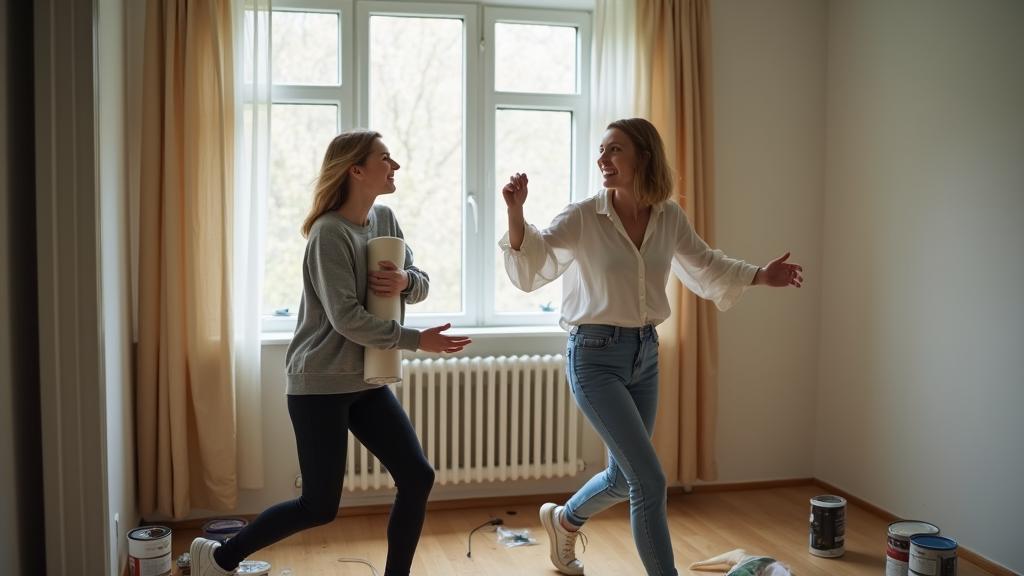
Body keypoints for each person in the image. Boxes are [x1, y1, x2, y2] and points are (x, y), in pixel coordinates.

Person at [499, 118, 802, 576]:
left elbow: (705, 264)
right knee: (650, 480)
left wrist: (761, 275)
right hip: (593, 357)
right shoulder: (584, 215)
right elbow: (536, 260)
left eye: (614, 150)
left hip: (645, 355)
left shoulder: (668, 217)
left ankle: (564, 521)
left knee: (625, 477)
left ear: (643, 156)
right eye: (602, 150)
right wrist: (516, 214)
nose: (603, 159)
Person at [190, 130, 471, 576]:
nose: (395, 165)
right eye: (385, 158)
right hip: (320, 383)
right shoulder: (328, 234)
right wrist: (418, 340)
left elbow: (420, 281)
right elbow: (347, 319)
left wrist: (406, 282)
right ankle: (218, 557)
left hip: (366, 381)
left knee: (417, 476)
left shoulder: (385, 219)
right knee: (319, 506)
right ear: (356, 169)